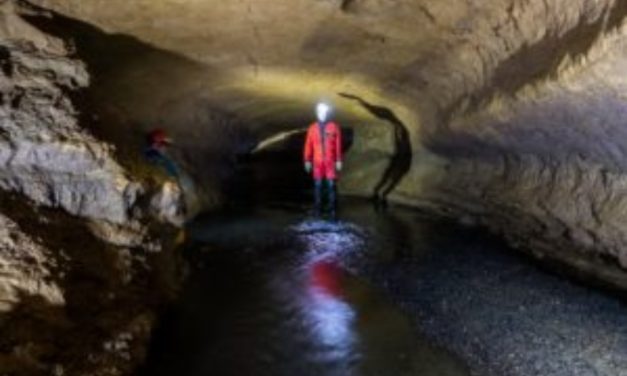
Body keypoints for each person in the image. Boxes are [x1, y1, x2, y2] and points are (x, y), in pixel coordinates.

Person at [303, 102, 343, 218]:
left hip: (330, 161)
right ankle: (317, 209)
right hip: (317, 162)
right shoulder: (312, 128)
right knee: (318, 185)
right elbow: (308, 145)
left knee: (331, 185)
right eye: (320, 112)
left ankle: (332, 211)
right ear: (317, 113)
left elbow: (338, 144)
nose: (322, 114)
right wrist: (307, 160)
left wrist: (339, 160)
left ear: (327, 113)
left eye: (325, 112)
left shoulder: (334, 127)